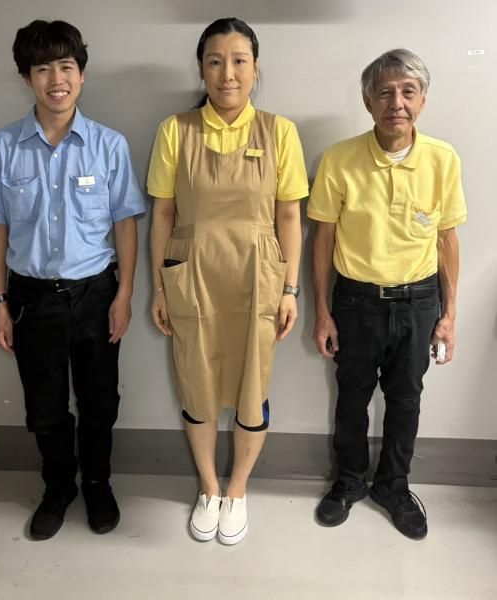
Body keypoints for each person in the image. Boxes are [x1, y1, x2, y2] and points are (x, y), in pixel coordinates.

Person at [0, 20, 147, 540]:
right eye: (42, 69)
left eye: (66, 67)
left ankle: (98, 484)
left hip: (96, 294)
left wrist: (124, 295)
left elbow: (125, 224)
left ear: (82, 74)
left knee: (99, 403)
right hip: (31, 298)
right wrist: (0, 303)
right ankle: (58, 488)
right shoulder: (1, 147)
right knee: (44, 408)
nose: (56, 80)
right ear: (27, 78)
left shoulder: (108, 146)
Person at [148, 17, 308, 545]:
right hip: (191, 273)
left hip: (258, 276)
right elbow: (163, 214)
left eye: (240, 61)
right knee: (195, 382)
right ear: (201, 69)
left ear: (256, 70)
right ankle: (209, 486)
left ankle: (238, 489)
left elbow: (289, 216)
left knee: (251, 386)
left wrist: (290, 289)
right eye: (215, 62)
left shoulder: (279, 132)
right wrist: (158, 287)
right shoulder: (176, 130)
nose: (228, 74)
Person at [308, 49, 467, 539]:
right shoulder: (339, 159)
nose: (396, 103)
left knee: (406, 398)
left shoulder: (442, 159)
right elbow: (323, 239)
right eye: (384, 93)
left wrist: (449, 315)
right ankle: (349, 480)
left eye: (407, 92)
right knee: (352, 396)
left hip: (419, 302)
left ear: (422, 100)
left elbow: (447, 240)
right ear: (367, 101)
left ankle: (394, 485)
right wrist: (322, 311)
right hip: (355, 301)